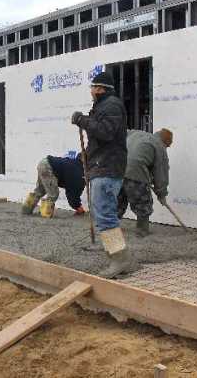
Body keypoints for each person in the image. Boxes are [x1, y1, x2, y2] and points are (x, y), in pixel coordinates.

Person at [71, 72, 131, 278]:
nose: (90, 91)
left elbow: (105, 133)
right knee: (104, 215)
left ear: (100, 88)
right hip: (102, 165)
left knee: (105, 216)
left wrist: (83, 121)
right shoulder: (104, 106)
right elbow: (99, 140)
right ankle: (117, 256)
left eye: (92, 87)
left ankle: (119, 261)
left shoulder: (111, 105)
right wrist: (86, 155)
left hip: (107, 168)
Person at [118, 129, 173, 237]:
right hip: (136, 174)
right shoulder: (159, 146)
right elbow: (161, 174)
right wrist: (161, 194)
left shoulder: (136, 133)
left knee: (118, 201)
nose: (167, 148)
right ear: (165, 142)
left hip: (117, 171)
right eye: (168, 146)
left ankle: (110, 228)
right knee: (142, 202)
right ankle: (142, 230)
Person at [22, 154, 85, 218]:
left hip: (44, 163)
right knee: (53, 194)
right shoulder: (79, 172)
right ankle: (45, 214)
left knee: (40, 191)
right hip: (48, 167)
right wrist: (78, 207)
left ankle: (26, 209)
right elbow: (73, 193)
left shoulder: (73, 164)